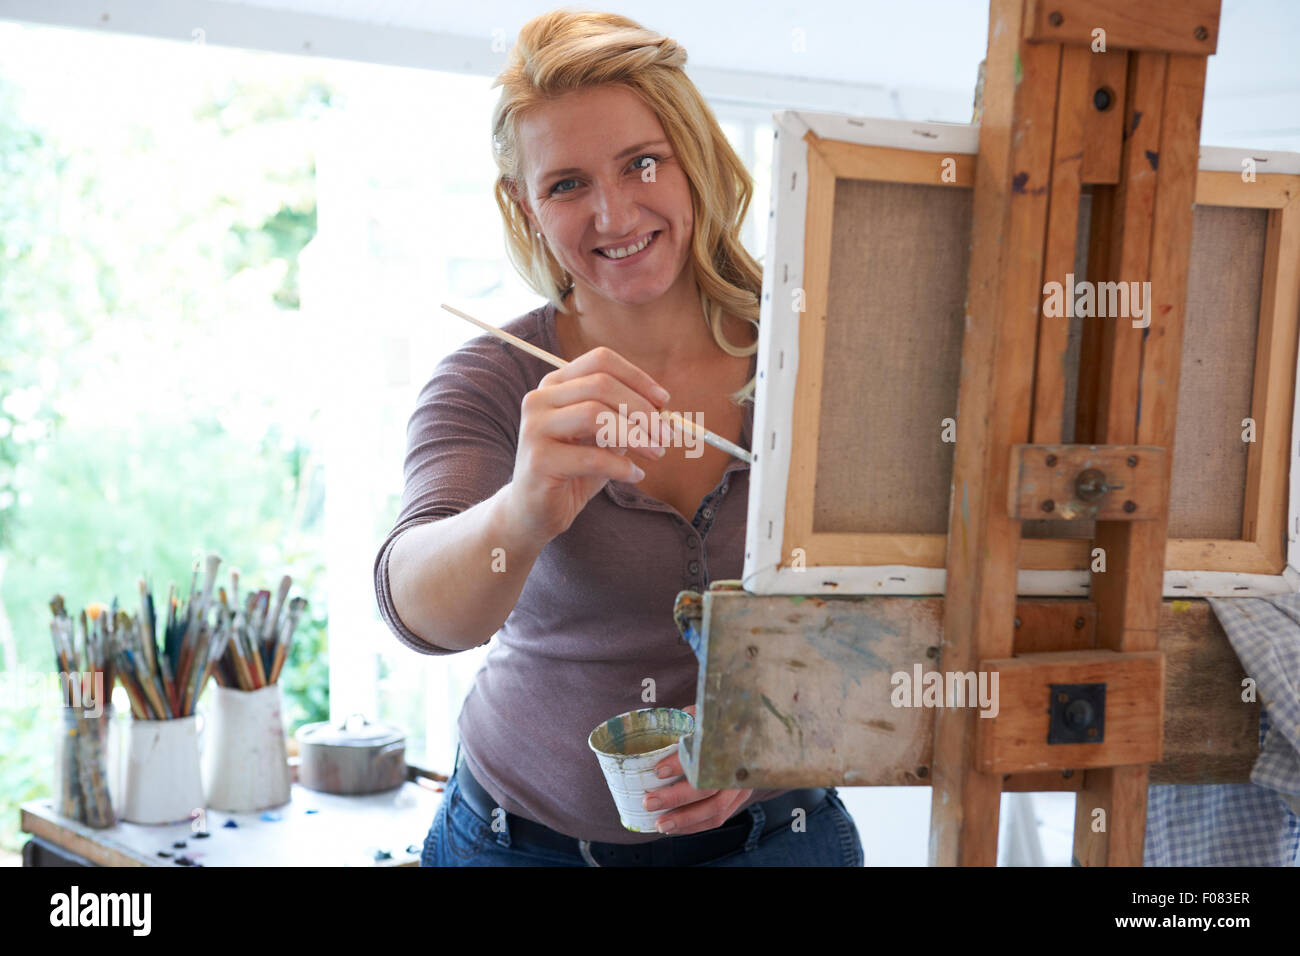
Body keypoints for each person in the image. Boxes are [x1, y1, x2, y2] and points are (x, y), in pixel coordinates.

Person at [373, 9, 864, 867]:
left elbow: (893, 613)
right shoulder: (491, 380)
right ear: (525, 207)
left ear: (696, 159)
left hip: (779, 841)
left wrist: (769, 738)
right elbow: (418, 613)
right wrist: (520, 512)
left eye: (643, 162)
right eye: (566, 184)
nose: (614, 213)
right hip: (518, 845)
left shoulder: (815, 353)